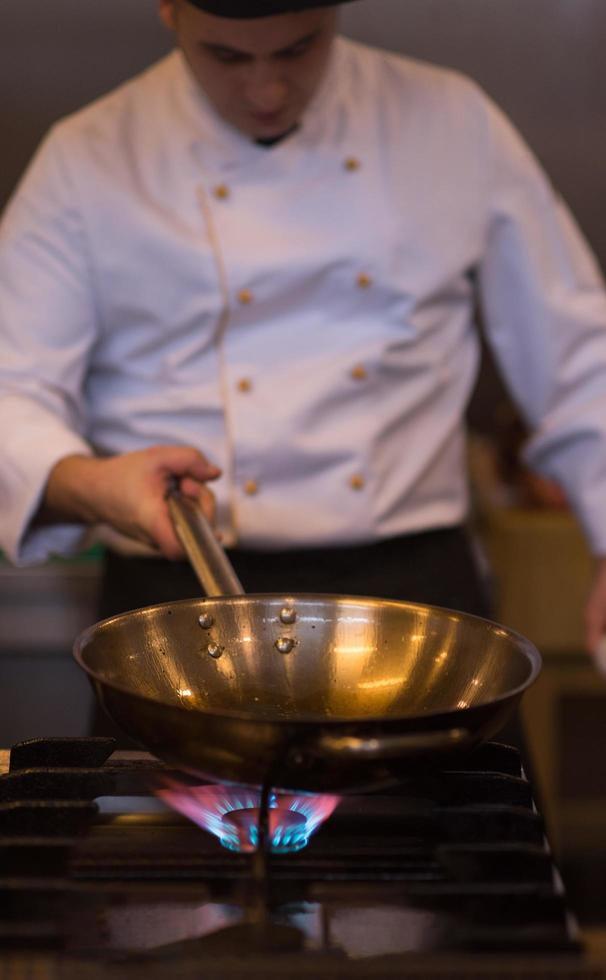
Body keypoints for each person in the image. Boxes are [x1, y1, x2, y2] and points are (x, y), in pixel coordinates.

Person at [1, 0, 606, 666]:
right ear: (168, 10)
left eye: (299, 48)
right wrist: (93, 485)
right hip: (180, 600)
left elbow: (579, 353)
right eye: (226, 56)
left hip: (413, 599)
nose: (267, 90)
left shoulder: (450, 120)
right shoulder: (88, 157)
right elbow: (10, 389)